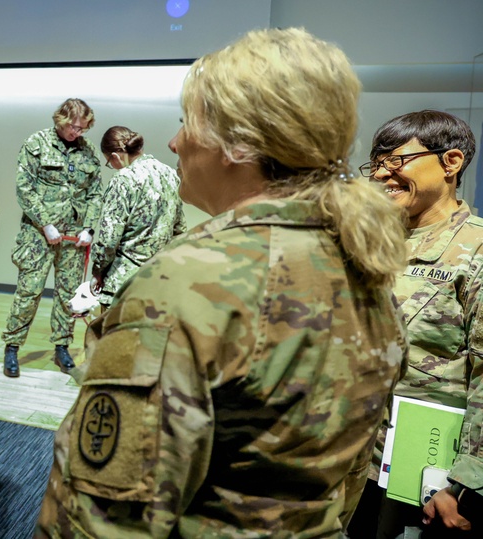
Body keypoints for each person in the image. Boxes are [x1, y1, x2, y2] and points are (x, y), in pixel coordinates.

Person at [34, 27, 410, 538]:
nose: (174, 141)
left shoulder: (188, 284)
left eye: (187, 122)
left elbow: (101, 521)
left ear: (237, 144)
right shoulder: (364, 263)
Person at [348, 110, 483, 538]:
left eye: (397, 161)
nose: (384, 175)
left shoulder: (475, 251)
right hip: (355, 461)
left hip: (430, 476)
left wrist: (465, 480)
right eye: (377, 164)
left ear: (451, 162)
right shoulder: (367, 243)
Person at [2, 98, 102, 377]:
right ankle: (12, 347)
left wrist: (89, 228)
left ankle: (62, 346)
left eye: (82, 128)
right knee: (28, 292)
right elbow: (24, 187)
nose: (76, 132)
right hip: (37, 236)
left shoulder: (89, 151)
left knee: (67, 296)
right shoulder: (36, 144)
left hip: (73, 237)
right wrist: (45, 223)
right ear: (60, 119)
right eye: (72, 126)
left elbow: (94, 193)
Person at [90, 125, 186, 309]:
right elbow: (179, 229)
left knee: (113, 337)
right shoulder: (169, 174)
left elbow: (109, 240)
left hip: (124, 284)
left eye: (109, 162)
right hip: (159, 280)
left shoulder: (123, 180)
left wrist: (98, 271)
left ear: (116, 156)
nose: (113, 167)